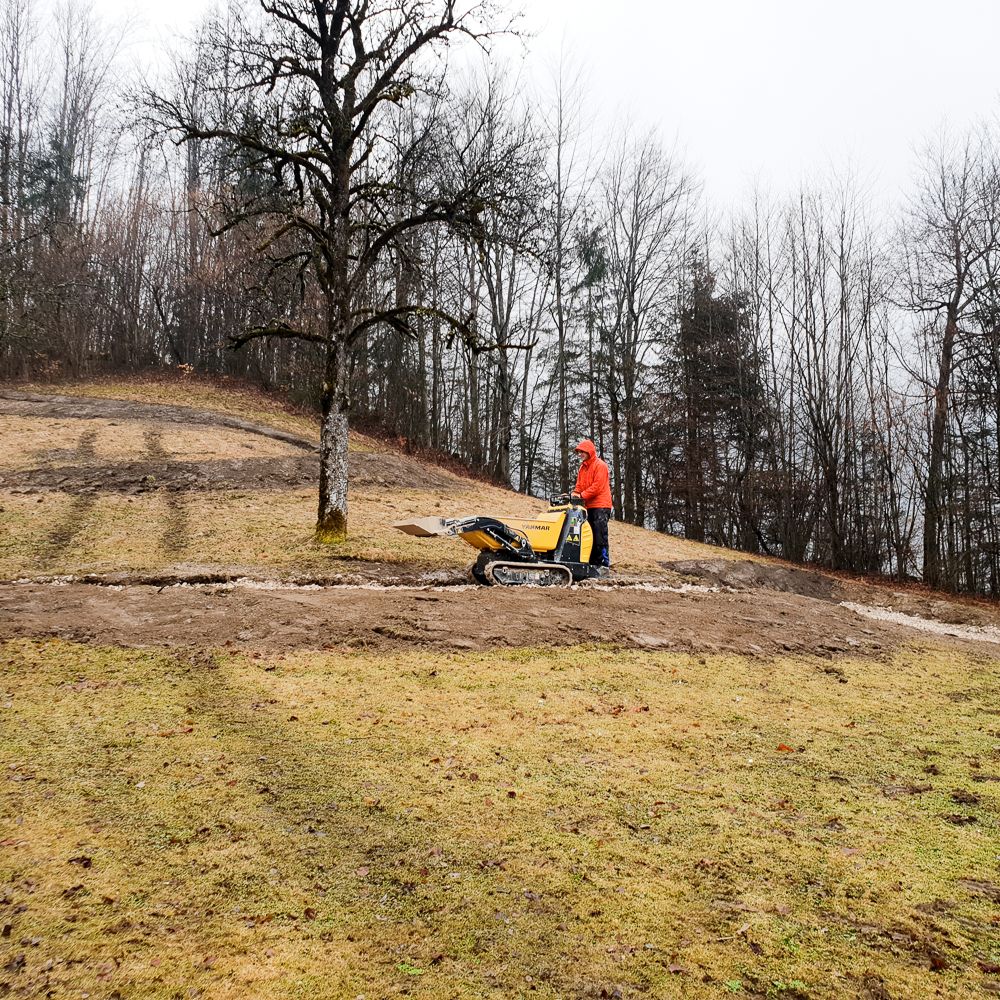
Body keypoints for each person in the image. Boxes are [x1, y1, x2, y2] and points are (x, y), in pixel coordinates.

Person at [572, 439, 612, 569]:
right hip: (587, 506)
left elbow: (597, 487)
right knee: (588, 536)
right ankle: (590, 563)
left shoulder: (600, 465)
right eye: (579, 452)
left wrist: (581, 496)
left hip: (601, 505)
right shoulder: (582, 468)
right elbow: (579, 486)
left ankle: (602, 564)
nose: (580, 455)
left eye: (582, 452)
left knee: (599, 535)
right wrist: (572, 495)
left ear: (589, 452)